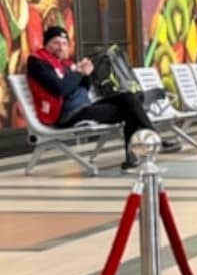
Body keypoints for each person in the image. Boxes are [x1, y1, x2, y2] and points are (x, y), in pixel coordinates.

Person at [26, 25, 169, 171]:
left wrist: (86, 74)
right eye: (56, 43)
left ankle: (142, 146)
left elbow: (83, 88)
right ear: (46, 44)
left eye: (64, 43)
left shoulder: (67, 64)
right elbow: (60, 89)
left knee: (128, 98)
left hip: (84, 107)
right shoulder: (37, 62)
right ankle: (148, 143)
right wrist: (79, 73)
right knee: (131, 109)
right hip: (66, 114)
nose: (61, 47)